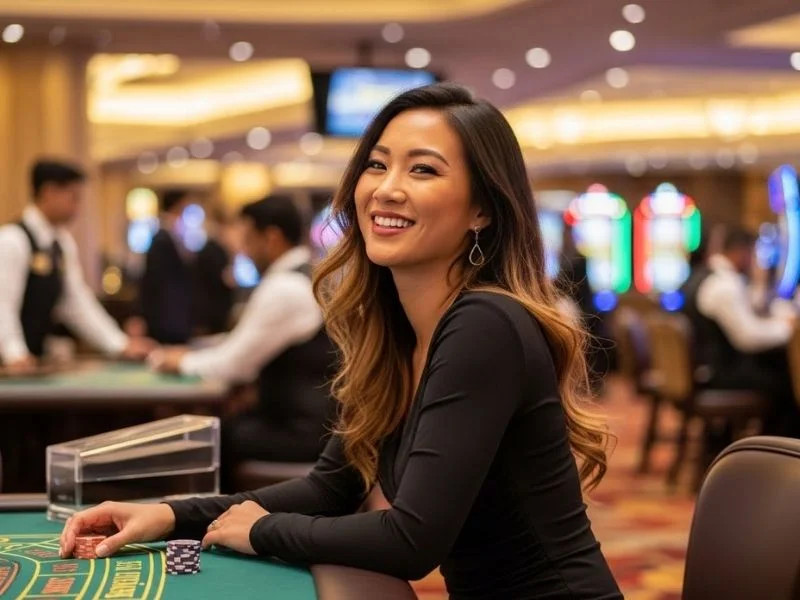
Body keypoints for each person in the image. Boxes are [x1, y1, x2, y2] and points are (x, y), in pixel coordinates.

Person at [61, 83, 621, 599]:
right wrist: (167, 515)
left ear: (482, 210)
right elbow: (330, 488)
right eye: (376, 165)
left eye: (423, 170)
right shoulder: (400, 332)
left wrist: (263, 531)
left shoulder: (484, 325)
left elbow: (411, 542)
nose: (387, 189)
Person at [149, 196, 338, 490]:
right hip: (315, 425)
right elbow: (246, 344)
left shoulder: (285, 287)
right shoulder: (302, 274)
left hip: (301, 432)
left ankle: (214, 516)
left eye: (248, 240)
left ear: (271, 238)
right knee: (223, 426)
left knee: (207, 437)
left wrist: (180, 361)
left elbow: (234, 366)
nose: (243, 251)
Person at [0, 159, 152, 372]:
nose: (78, 208)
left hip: (30, 363)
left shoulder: (62, 244)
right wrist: (14, 353)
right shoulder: (12, 240)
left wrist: (119, 344)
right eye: (74, 198)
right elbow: (3, 304)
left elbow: (76, 302)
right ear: (49, 192)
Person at [682, 226, 798, 448]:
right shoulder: (723, 285)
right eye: (754, 254)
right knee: (789, 383)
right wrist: (789, 329)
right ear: (741, 252)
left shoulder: (709, 276)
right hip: (719, 374)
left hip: (708, 368)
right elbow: (747, 338)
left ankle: (766, 448)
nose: (756, 260)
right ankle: (776, 452)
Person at [138, 189, 195, 345]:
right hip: (166, 317)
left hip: (174, 316)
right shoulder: (161, 239)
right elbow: (153, 281)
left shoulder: (172, 236)